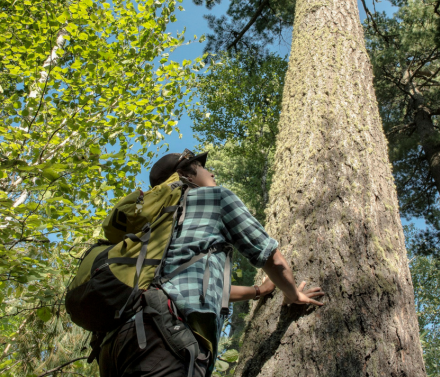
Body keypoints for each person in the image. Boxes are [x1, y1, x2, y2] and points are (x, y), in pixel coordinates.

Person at [98, 149, 325, 377]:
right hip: (165, 335)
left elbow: (192, 284)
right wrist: (293, 294)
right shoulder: (214, 198)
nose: (211, 172)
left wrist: (258, 290)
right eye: (203, 167)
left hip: (116, 341)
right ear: (186, 176)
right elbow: (270, 257)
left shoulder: (154, 226)